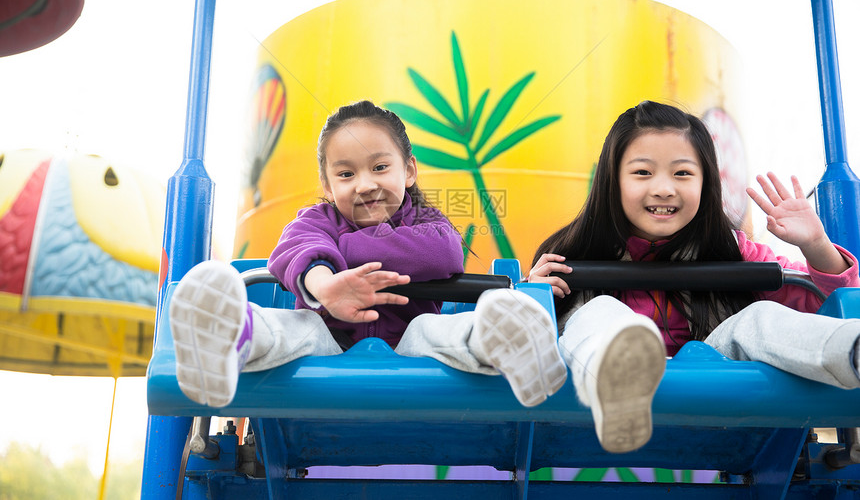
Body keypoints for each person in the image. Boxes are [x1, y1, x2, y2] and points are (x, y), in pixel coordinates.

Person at [169, 100, 567, 409]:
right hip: (330, 346)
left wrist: (341, 250)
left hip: (409, 354)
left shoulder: (425, 219)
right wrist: (326, 287)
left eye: (379, 167)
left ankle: (503, 338)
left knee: (430, 330)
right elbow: (294, 249)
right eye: (345, 174)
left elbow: (443, 252)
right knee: (300, 329)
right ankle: (226, 336)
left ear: (408, 171)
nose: (364, 184)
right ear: (326, 183)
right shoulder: (316, 219)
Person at [528, 100, 860, 454]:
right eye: (642, 173)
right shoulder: (572, 257)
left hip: (714, 389)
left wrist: (816, 245)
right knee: (598, 311)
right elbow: (534, 343)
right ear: (613, 180)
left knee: (759, 319)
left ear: (706, 184)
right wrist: (535, 298)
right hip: (600, 400)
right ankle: (620, 373)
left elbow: (823, 303)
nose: (664, 188)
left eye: (682, 174)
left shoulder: (732, 253)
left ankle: (852, 352)